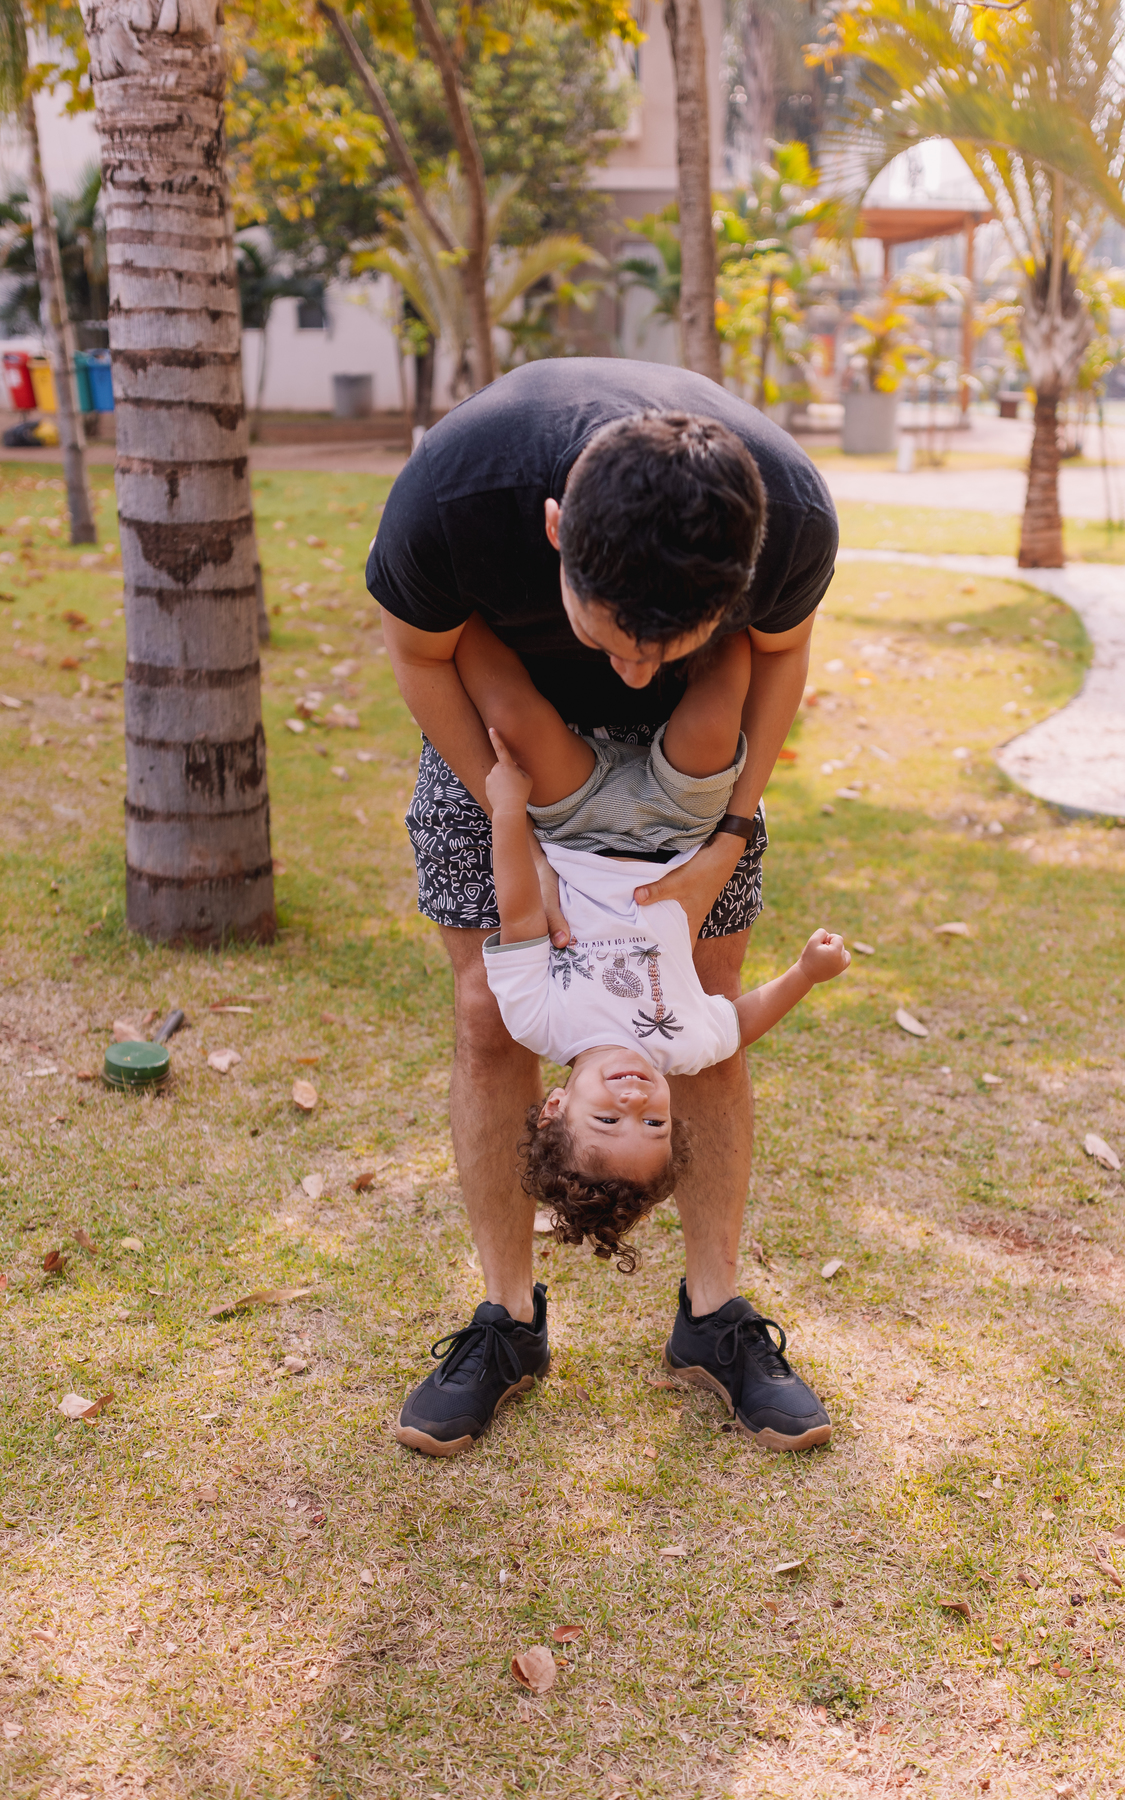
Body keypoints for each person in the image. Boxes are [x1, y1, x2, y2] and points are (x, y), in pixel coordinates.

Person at [367, 362, 838, 1459]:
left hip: (696, 791)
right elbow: (419, 653)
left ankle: (715, 1322)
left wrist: (729, 836)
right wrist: (521, 825)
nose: (634, 668)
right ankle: (509, 1322)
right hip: (507, 760)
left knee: (709, 1016)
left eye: (665, 642)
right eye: (617, 630)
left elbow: (780, 656)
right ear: (552, 533)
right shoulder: (455, 498)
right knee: (490, 1012)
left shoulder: (792, 513)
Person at [451, 611, 850, 1266]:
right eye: (655, 1123)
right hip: (679, 829)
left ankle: (454, 619)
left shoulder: (539, 1022)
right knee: (718, 720)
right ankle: (732, 611)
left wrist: (507, 811)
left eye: (608, 1120)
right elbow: (740, 1022)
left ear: (554, 1107)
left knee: (516, 721)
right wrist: (804, 974)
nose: (635, 1101)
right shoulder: (684, 1044)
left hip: (574, 817)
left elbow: (521, 915)